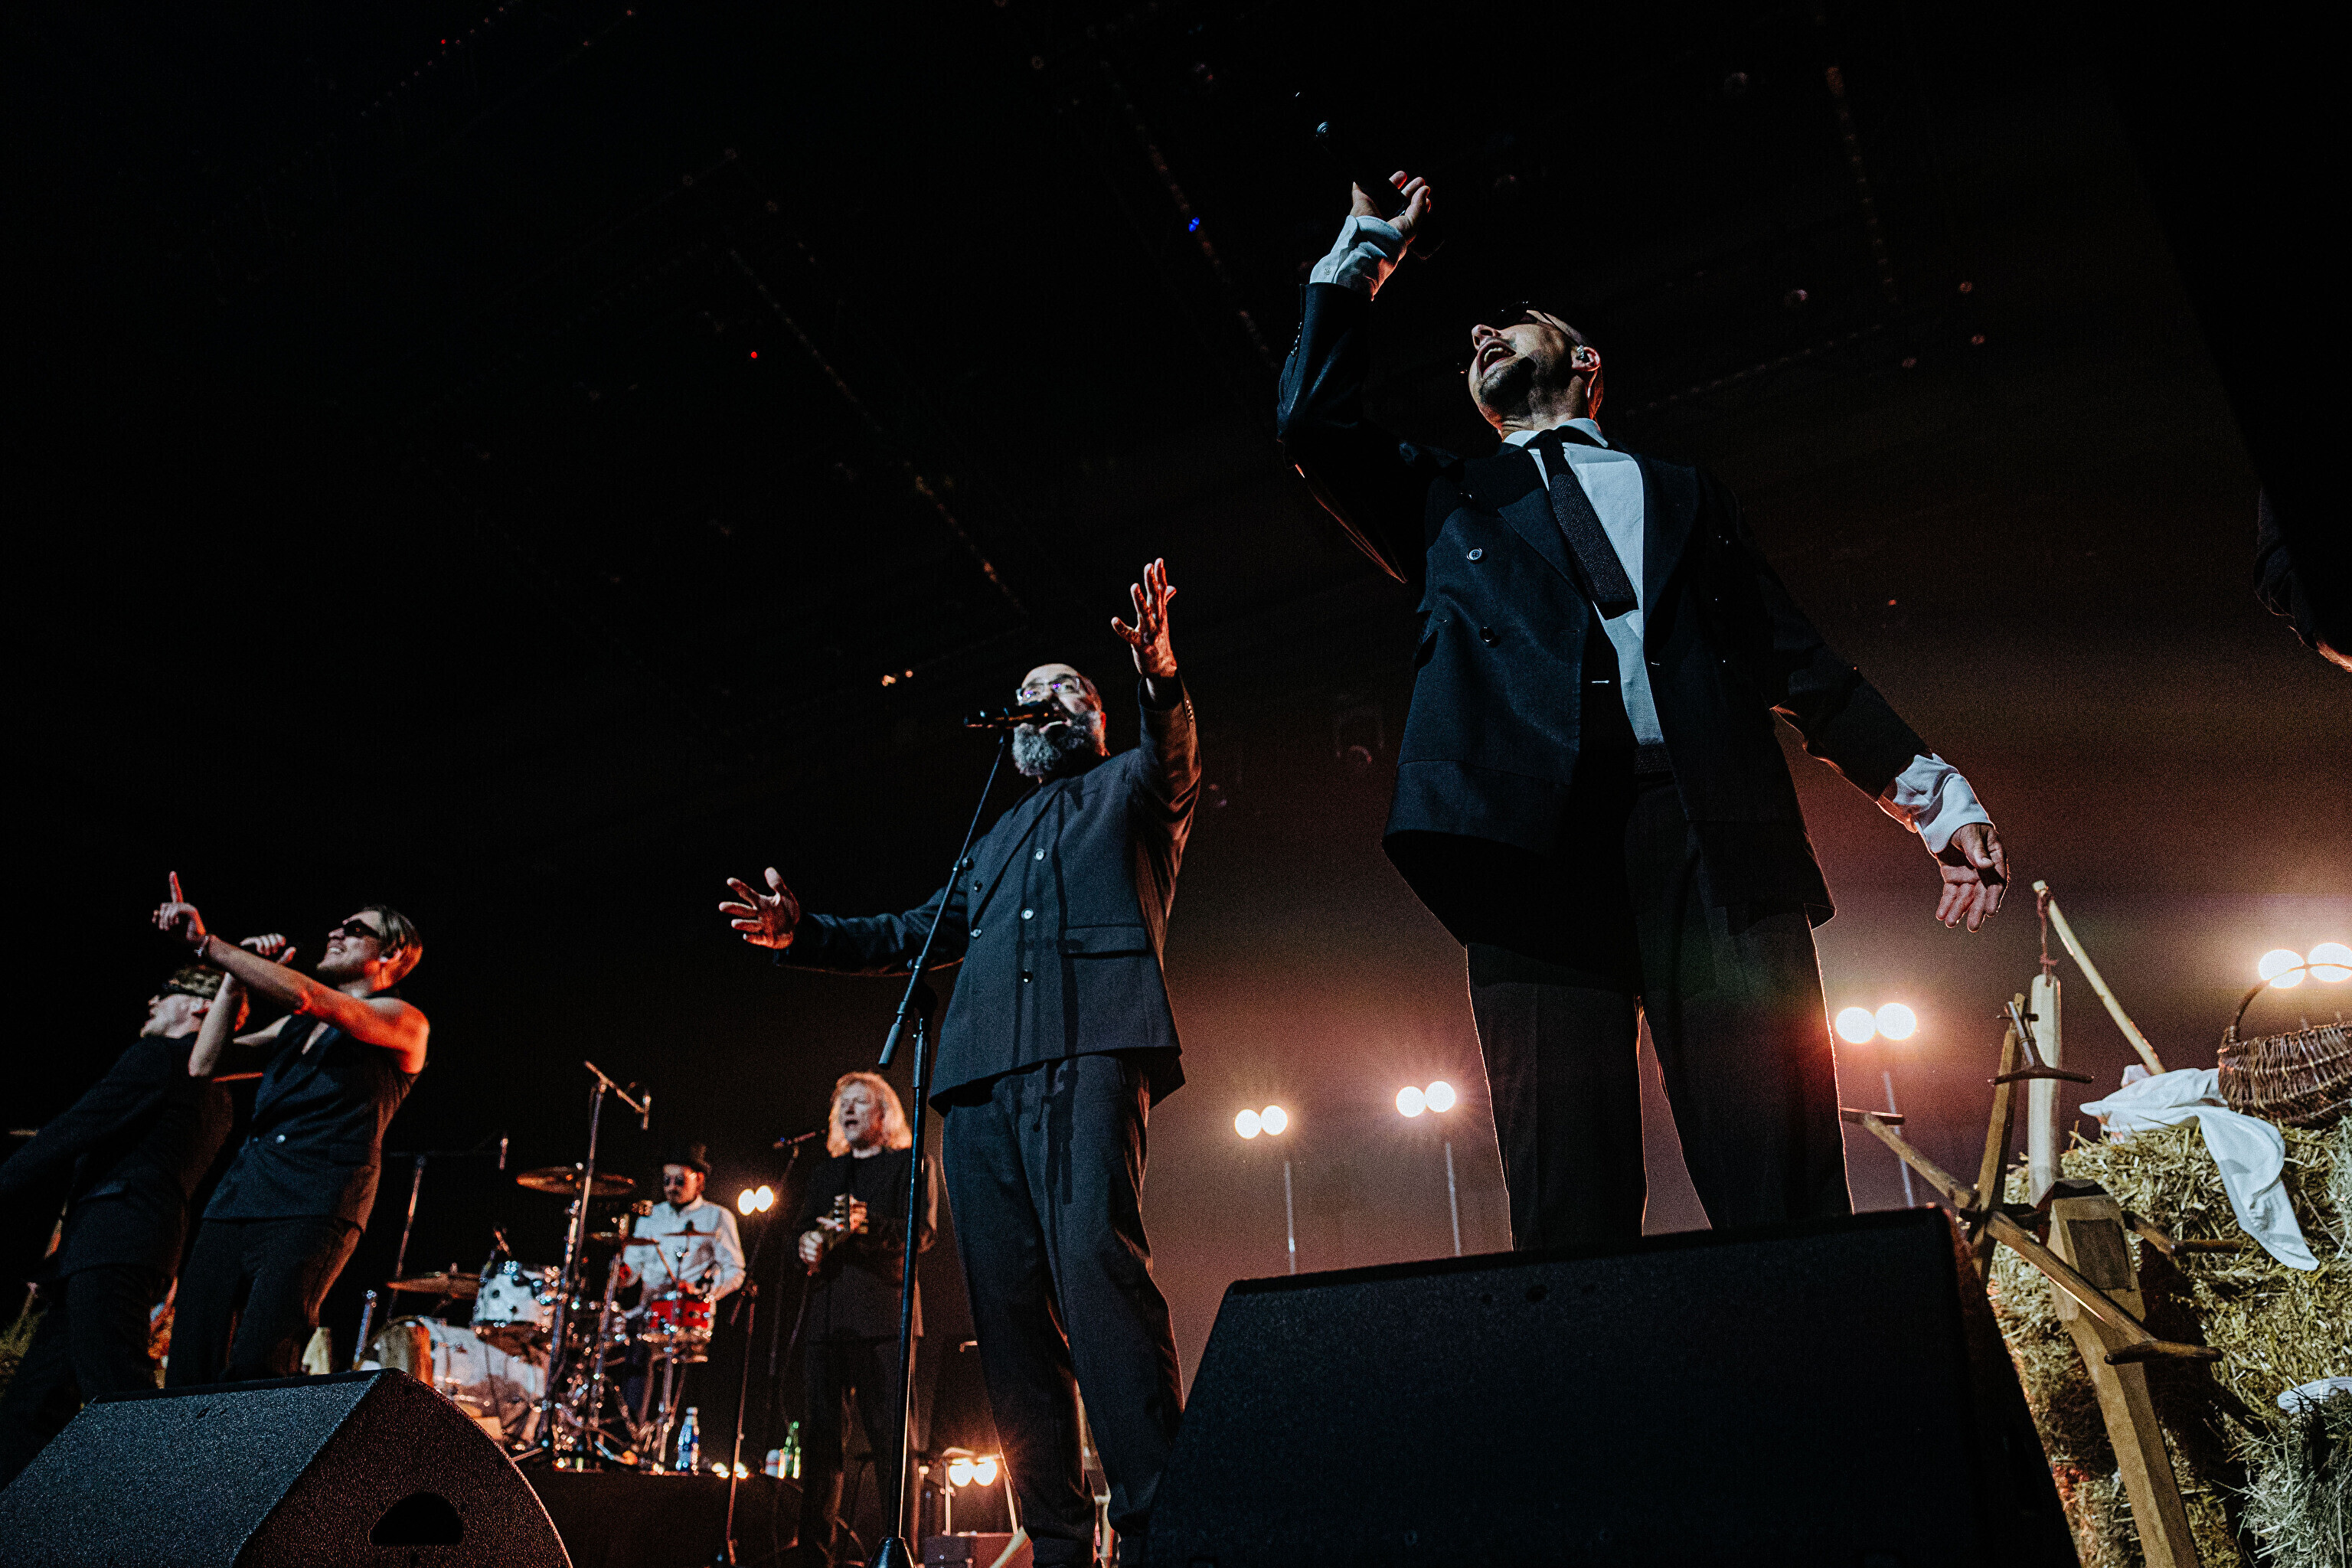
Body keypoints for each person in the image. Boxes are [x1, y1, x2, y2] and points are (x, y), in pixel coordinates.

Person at [1276, 177, 2012, 1250]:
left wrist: (1937, 801)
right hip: (1528, 845)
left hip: (1708, 825)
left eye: (1515, 322)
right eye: (1472, 339)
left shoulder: (1687, 493)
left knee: (1777, 1161)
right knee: (1566, 1188)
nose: (1480, 335)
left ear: (1585, 361)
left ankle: (1809, 1352)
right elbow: (1312, 422)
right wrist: (1363, 259)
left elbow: (1794, 659)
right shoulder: (1442, 499)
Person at [720, 559, 1196, 1568]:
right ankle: (1059, 1543)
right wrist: (805, 933)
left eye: (1063, 687)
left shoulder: (1131, 786)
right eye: (1028, 692)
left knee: (1098, 1272)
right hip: (978, 1085)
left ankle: (1161, 1528)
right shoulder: (994, 837)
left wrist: (1159, 672)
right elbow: (913, 929)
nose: (1040, 699)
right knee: (1009, 1316)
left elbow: (1176, 750)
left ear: (1095, 713)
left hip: (1090, 1050)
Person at [0, 951, 274, 1482]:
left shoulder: (161, 1058)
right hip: (134, 1244)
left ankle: (165, 1500)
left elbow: (74, 1128)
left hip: (113, 1243)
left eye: (168, 991)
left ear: (200, 1008)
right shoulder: (219, 1094)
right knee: (34, 1403)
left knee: (119, 1393)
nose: (152, 1000)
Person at [154, 880, 430, 1383]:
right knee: (191, 1357)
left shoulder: (403, 1020)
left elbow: (307, 996)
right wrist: (233, 981)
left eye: (354, 929)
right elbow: (205, 1063)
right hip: (239, 1199)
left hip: (314, 1204)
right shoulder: (295, 1027)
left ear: (391, 953)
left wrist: (208, 945)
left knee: (260, 1363)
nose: (335, 934)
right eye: (338, 926)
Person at [789, 1072, 936, 1568]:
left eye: (859, 1102)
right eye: (843, 1104)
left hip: (884, 1318)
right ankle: (814, 1555)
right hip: (826, 1317)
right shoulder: (825, 1174)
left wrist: (865, 1224)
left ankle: (897, 1553)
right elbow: (799, 1233)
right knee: (820, 1444)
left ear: (884, 1114)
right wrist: (805, 1244)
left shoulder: (910, 1165)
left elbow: (922, 1234)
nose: (848, 1110)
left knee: (892, 1446)